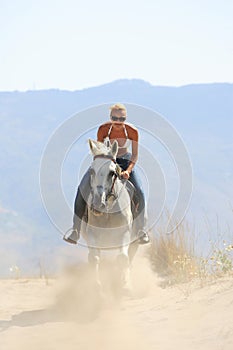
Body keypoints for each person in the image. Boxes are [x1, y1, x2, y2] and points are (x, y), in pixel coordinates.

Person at [64, 103, 150, 245]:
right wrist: (102, 167)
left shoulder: (132, 131)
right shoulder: (103, 129)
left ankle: (141, 230)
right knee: (82, 188)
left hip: (125, 161)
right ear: (110, 118)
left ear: (126, 119)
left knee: (139, 191)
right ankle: (76, 230)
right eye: (115, 118)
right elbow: (99, 151)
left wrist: (128, 171)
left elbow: (135, 155)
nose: (118, 121)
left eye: (122, 119)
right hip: (106, 161)